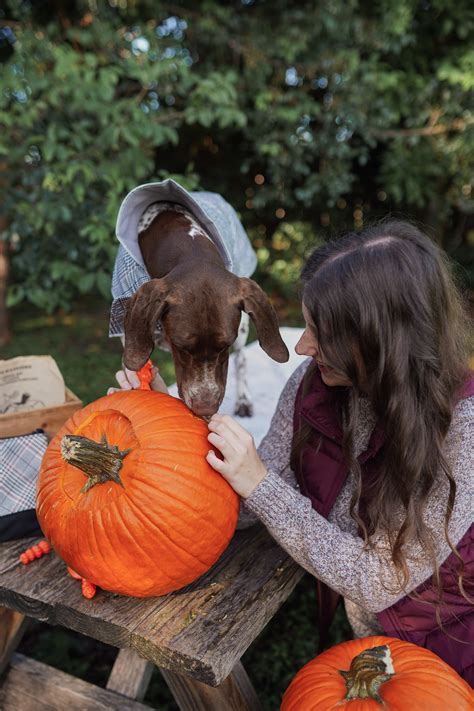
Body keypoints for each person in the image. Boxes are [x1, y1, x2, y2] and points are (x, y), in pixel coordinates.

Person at [205, 220, 474, 683]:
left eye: (320, 333)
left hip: (443, 645)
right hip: (369, 635)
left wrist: (259, 484)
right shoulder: (315, 382)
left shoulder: (464, 433)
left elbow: (376, 581)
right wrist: (161, 428)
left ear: (382, 342)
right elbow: (254, 498)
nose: (303, 346)